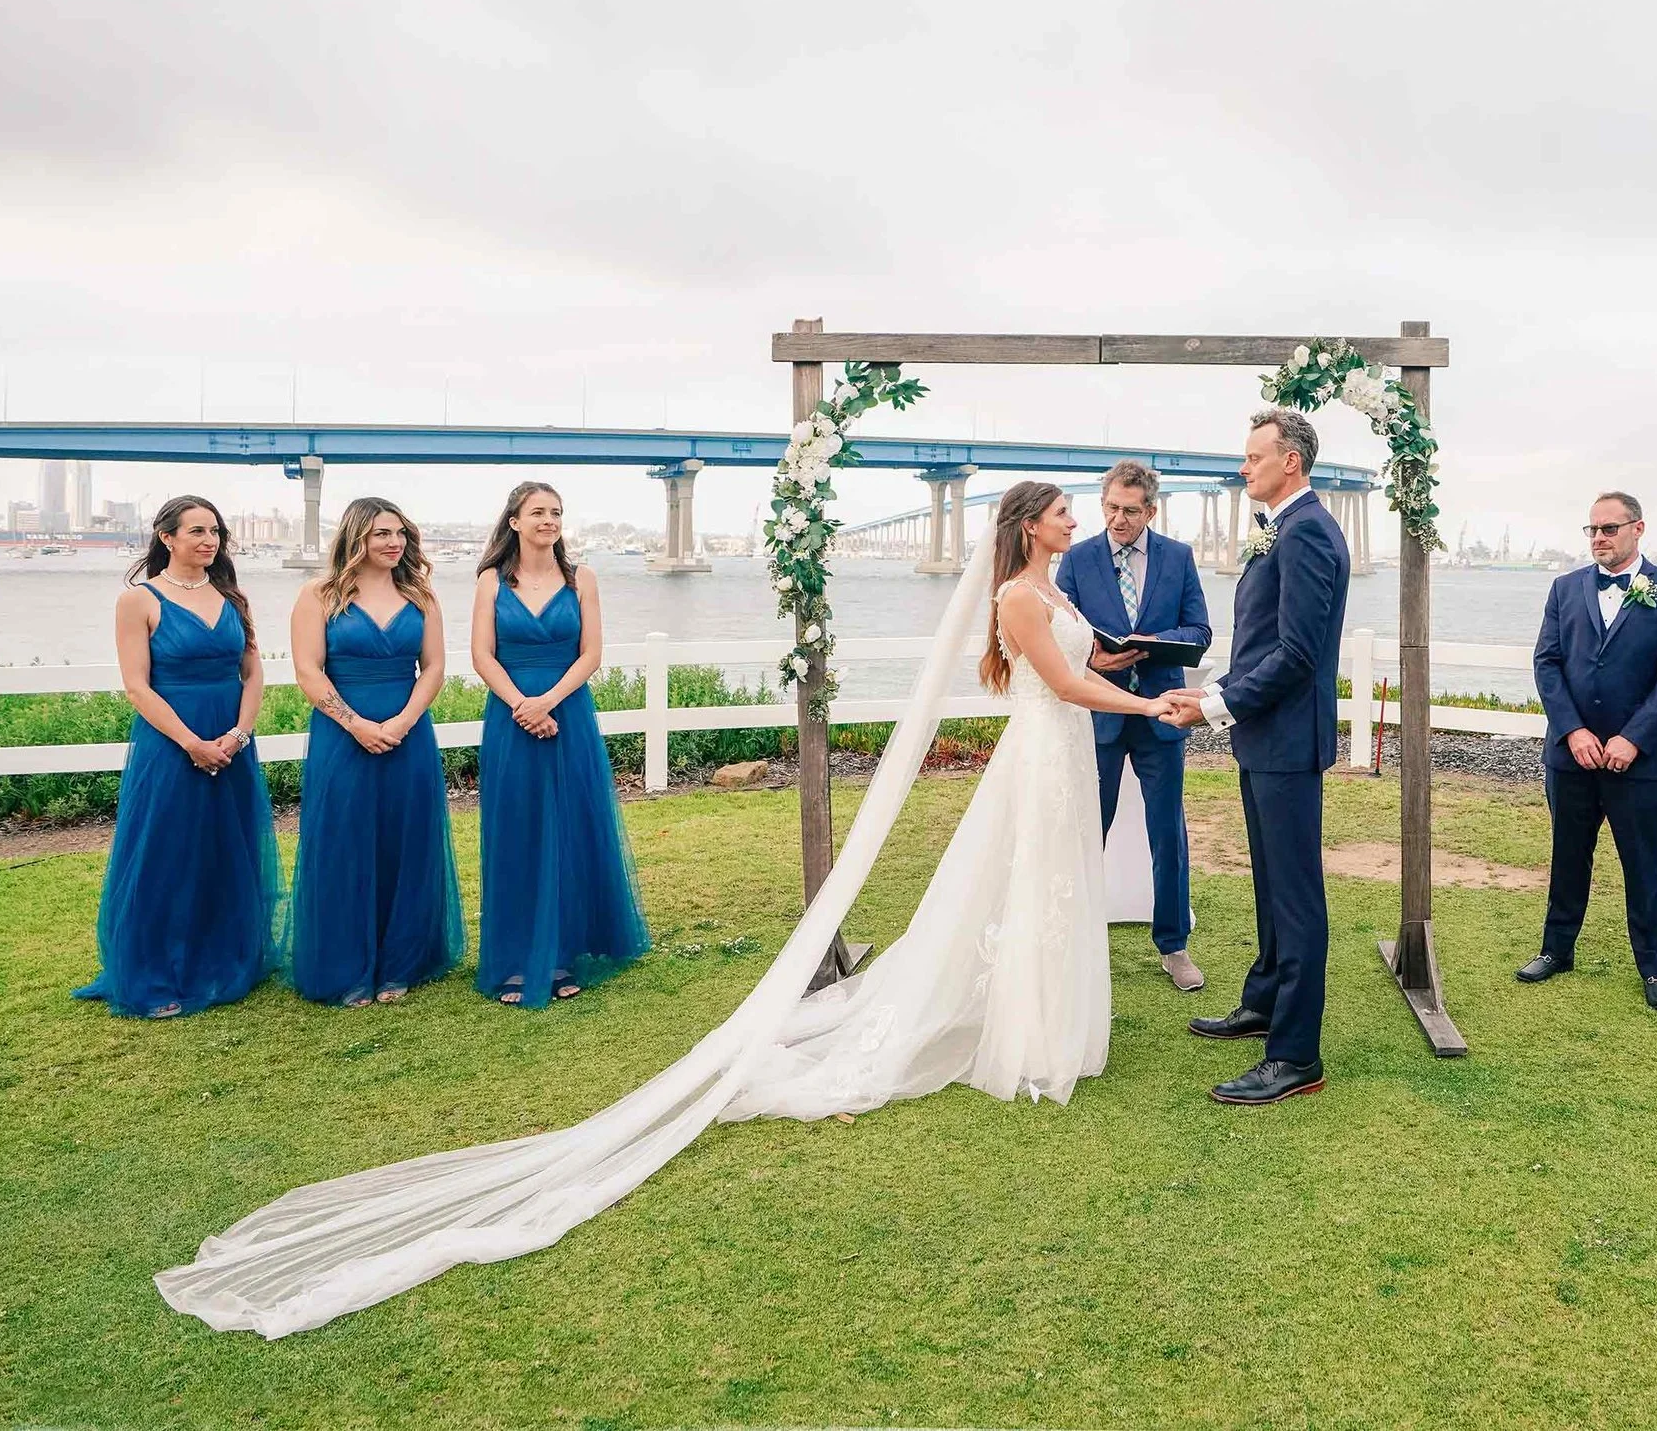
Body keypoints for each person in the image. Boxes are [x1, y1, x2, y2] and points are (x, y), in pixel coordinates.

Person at [158, 482, 1167, 1337]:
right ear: (1030, 524)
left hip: (1049, 746)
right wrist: (1164, 702)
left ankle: (1041, 1016)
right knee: (1027, 886)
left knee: (1052, 886)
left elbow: (1080, 665)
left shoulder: (1050, 582)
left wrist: (1142, 671)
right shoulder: (1023, 591)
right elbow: (1059, 676)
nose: (1078, 520)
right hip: (514, 722)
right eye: (1067, 510)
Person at [1159, 409, 1350, 1106]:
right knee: (1270, 882)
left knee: (1296, 895)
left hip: (1287, 740)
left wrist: (1211, 705)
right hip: (1263, 734)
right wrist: (1214, 693)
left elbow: (1297, 654)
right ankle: (1266, 1000)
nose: (1244, 467)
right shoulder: (1287, 530)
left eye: (1253, 456)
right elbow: (1262, 642)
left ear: (1289, 461)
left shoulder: (1306, 535)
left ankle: (1295, 1054)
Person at [74, 497, 281, 1018]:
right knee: (166, 852)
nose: (209, 540)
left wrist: (238, 735)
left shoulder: (233, 597)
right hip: (170, 744)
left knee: (225, 850)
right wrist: (191, 742)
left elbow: (253, 674)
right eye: (196, 531)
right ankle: (158, 970)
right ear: (166, 537)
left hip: (232, 743)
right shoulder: (138, 601)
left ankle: (223, 956)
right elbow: (136, 686)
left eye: (215, 531)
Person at [469, 481, 648, 1007]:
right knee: (517, 833)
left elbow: (591, 654)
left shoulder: (581, 579)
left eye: (556, 512)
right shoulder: (490, 582)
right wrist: (524, 705)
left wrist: (548, 701)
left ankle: (566, 952)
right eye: (538, 512)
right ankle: (516, 957)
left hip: (569, 712)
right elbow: (482, 655)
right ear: (515, 522)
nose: (549, 520)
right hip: (510, 717)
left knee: (571, 830)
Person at [1522, 490, 1657, 1010]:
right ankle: (1556, 950)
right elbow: (1547, 663)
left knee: (1643, 862)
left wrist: (1632, 738)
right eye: (1592, 530)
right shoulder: (1564, 588)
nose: (1599, 538)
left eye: (1609, 529)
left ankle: (1655, 967)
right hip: (1571, 756)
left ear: (1637, 529)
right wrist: (1572, 730)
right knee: (1568, 855)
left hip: (1635, 759)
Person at [283, 497, 463, 1008]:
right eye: (382, 533)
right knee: (343, 842)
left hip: (409, 735)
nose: (394, 543)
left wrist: (404, 722)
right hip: (342, 738)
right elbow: (308, 672)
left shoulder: (421, 595)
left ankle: (401, 961)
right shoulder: (318, 595)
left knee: (406, 843)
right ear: (356, 536)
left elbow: (432, 668)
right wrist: (356, 724)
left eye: (400, 533)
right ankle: (345, 964)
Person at [1057, 459, 1213, 991]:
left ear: (1150, 509)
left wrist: (1152, 642)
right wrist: (1095, 663)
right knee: (1085, 830)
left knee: (1167, 832)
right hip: (1097, 714)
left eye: (1129, 510)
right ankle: (1074, 940)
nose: (1118, 519)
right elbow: (1059, 637)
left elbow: (1200, 631)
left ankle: (1174, 946)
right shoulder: (1076, 560)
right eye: (1109, 508)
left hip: (1162, 715)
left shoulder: (1179, 558)